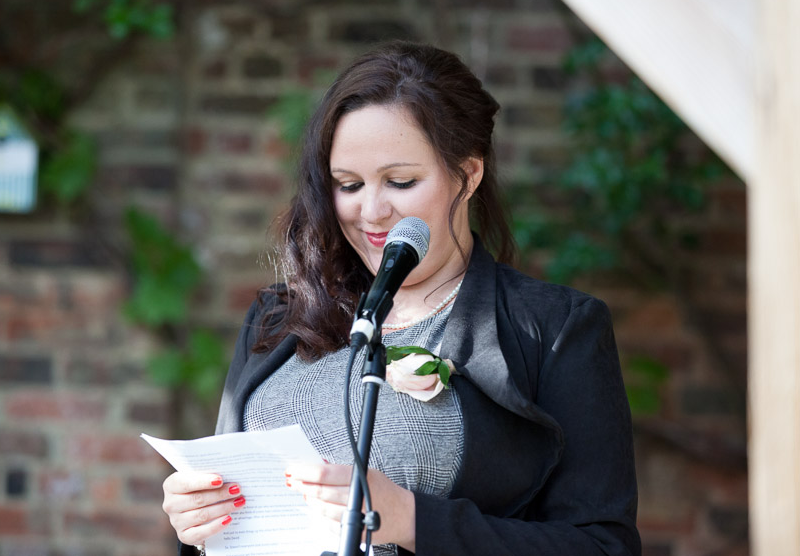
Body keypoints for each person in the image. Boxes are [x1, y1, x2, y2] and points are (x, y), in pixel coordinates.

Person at [161, 41, 641, 555]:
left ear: (469, 174)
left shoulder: (553, 328)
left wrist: (414, 520)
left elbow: (603, 546)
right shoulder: (280, 315)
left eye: (401, 181)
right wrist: (198, 520)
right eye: (348, 184)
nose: (371, 211)